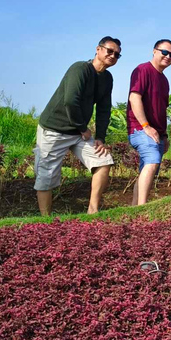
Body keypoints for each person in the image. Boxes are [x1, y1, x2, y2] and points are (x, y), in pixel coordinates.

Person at [34, 36, 121, 215]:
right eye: (109, 51)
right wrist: (83, 128)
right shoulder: (80, 68)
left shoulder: (107, 78)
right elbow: (70, 101)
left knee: (103, 161)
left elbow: (104, 109)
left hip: (79, 133)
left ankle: (93, 211)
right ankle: (45, 220)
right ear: (98, 49)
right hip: (54, 130)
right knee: (46, 175)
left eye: (117, 55)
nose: (113, 56)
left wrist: (100, 138)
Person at [127, 39, 171, 205]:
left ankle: (134, 209)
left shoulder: (164, 80)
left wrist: (164, 135)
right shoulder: (142, 70)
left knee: (146, 170)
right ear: (154, 51)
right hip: (141, 129)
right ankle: (142, 209)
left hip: (157, 133)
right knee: (152, 161)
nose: (168, 56)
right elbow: (134, 98)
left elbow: (161, 110)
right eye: (164, 52)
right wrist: (146, 126)